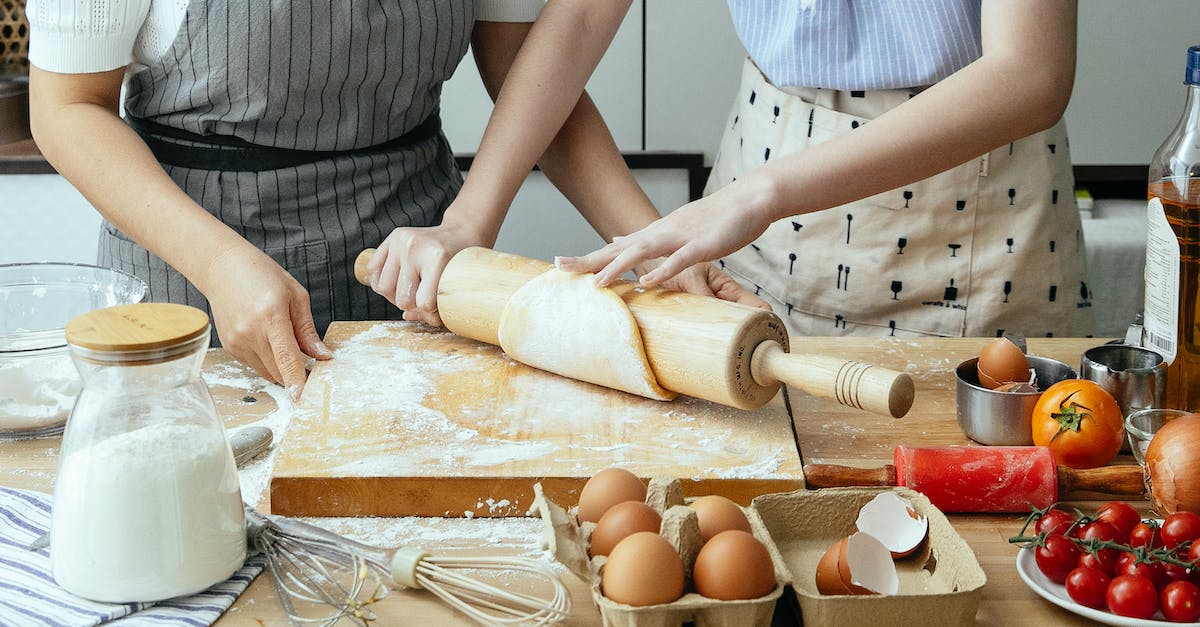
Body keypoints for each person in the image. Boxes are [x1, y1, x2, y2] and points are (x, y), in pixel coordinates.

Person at [28, 0, 762, 399]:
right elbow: (65, 108)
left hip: (416, 276)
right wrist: (219, 264)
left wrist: (656, 248)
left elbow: (533, 74)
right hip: (193, 273)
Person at [466, 0, 1097, 340]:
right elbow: (581, 14)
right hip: (754, 209)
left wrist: (759, 196)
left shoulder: (755, 197)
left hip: (970, 223)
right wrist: (471, 220)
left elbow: (1030, 75)